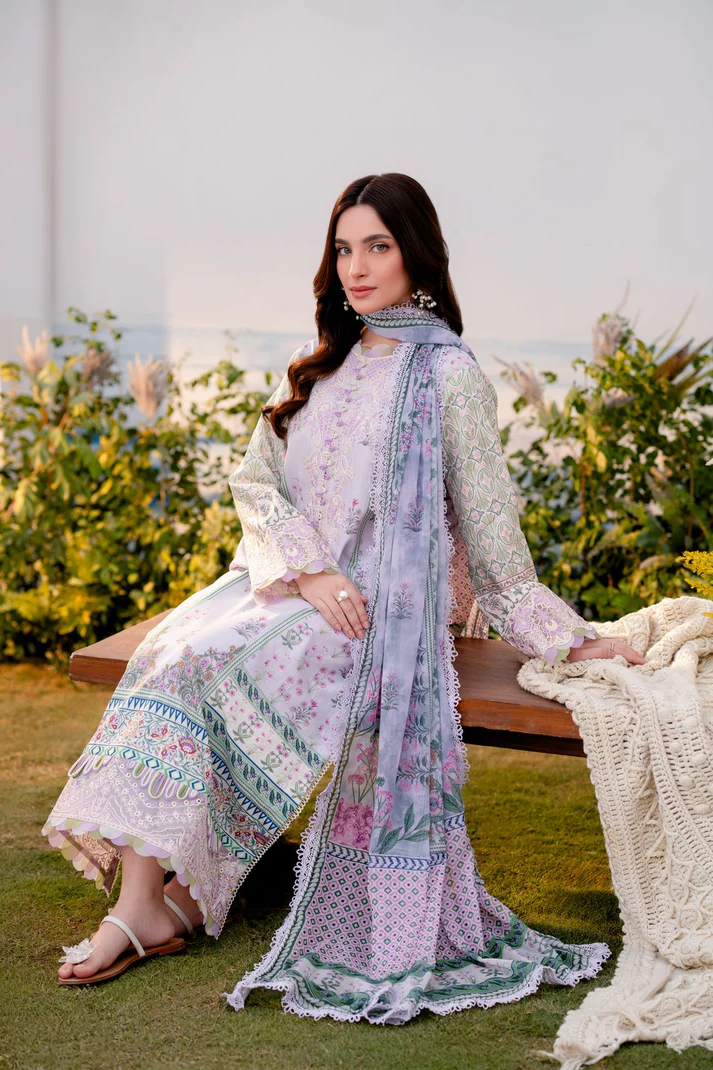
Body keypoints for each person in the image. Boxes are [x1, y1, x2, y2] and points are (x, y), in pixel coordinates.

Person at [45, 173, 644, 1021]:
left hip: (375, 618)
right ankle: (147, 901)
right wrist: (307, 569)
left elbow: (492, 537)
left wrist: (568, 639)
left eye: (377, 247)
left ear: (416, 256)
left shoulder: (449, 377)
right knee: (171, 653)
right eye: (342, 249)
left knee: (195, 663)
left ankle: (153, 905)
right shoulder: (321, 359)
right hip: (288, 586)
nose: (355, 268)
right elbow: (254, 482)